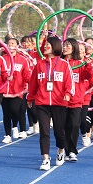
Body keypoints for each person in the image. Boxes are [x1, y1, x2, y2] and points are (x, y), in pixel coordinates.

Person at [27, 36, 75, 171]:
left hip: (59, 103)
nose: (45, 46)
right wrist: (30, 98)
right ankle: (46, 158)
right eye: (45, 44)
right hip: (42, 103)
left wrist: (68, 93)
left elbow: (69, 82)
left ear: (55, 46)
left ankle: (60, 151)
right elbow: (33, 84)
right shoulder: (39, 65)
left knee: (59, 132)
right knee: (44, 131)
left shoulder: (64, 64)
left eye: (48, 44)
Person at [62, 38, 93, 162]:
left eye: (68, 45)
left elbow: (89, 76)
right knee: (64, 127)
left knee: (75, 125)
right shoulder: (60, 63)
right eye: (64, 45)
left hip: (76, 100)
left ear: (74, 48)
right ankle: (65, 150)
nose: (65, 47)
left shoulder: (80, 63)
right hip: (61, 100)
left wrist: (88, 65)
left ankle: (72, 150)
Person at [0, 38, 32, 143]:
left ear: (17, 46)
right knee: (6, 113)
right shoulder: (2, 59)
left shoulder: (23, 60)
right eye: (8, 44)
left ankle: (15, 126)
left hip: (17, 90)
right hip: (4, 91)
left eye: (13, 43)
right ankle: (7, 135)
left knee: (14, 110)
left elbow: (26, 74)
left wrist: (32, 81)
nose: (11, 45)